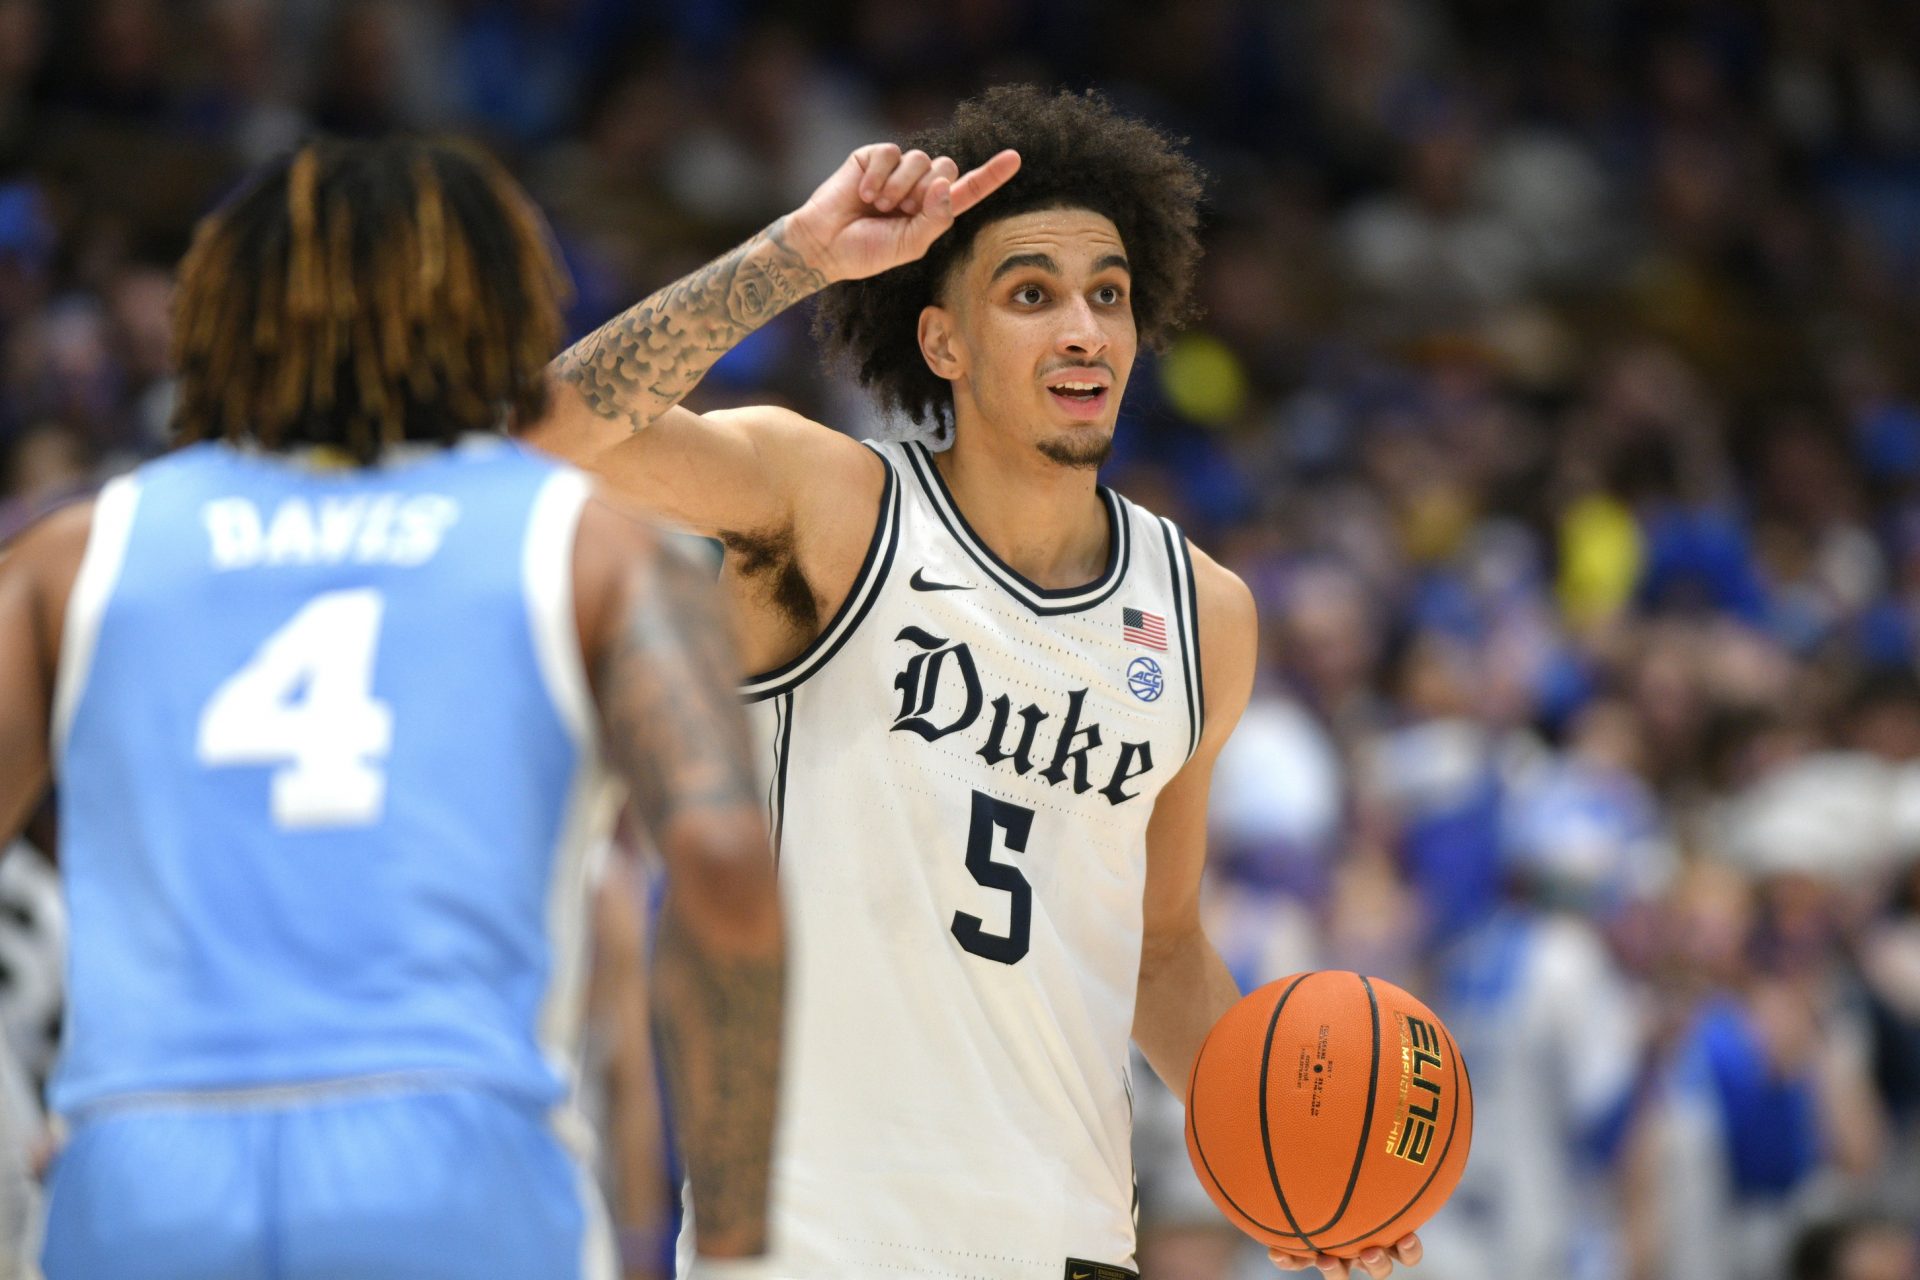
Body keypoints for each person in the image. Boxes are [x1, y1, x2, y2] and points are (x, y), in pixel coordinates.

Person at [526, 85, 1422, 1280]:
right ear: (942, 340)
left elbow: (1158, 947)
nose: (1084, 330)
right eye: (1031, 293)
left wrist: (1304, 1181)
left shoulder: (1204, 613)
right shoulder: (828, 505)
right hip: (812, 1240)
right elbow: (539, 432)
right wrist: (792, 257)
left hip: (1071, 1241)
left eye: (1108, 293)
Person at [0, 137, 785, 1280]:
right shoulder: (593, 548)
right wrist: (734, 1241)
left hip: (141, 1164)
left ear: (222, 313)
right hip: (457, 1165)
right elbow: (719, 865)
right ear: (505, 311)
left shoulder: (76, 553)